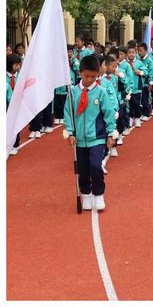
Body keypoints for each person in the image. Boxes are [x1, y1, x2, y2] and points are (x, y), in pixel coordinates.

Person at [63, 55, 117, 211]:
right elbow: (69, 113)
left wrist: (110, 133)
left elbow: (108, 112)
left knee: (95, 166)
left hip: (97, 138)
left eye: (93, 77)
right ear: (80, 73)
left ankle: (98, 194)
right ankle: (85, 194)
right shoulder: (72, 92)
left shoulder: (100, 92)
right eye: (86, 76)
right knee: (83, 169)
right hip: (79, 139)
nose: (90, 79)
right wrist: (70, 133)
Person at [7, 53, 22, 155]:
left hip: (16, 104)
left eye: (19, 64)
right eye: (15, 65)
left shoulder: (20, 76)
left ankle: (15, 144)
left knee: (15, 124)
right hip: (7, 104)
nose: (18, 67)